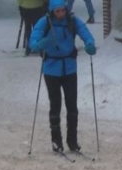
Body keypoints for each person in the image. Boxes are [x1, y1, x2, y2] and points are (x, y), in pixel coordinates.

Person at [29, 0, 96, 153]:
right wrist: (40, 44)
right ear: (52, 11)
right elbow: (33, 41)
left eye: (62, 11)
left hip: (70, 68)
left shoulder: (72, 20)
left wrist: (89, 43)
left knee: (72, 106)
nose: (60, 14)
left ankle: (72, 141)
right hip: (51, 69)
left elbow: (85, 33)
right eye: (57, 11)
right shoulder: (44, 22)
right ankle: (56, 141)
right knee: (55, 105)